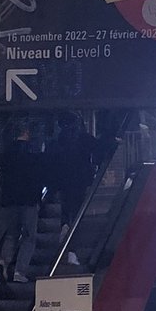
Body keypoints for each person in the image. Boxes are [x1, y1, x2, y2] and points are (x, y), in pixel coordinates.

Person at [49, 112, 102, 265]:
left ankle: (64, 226)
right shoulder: (83, 138)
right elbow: (98, 147)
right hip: (81, 180)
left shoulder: (58, 141)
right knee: (78, 213)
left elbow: (50, 161)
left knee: (66, 208)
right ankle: (72, 249)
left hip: (63, 181)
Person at [0, 121, 44, 283]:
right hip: (28, 199)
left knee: (11, 234)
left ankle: (3, 261)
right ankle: (19, 271)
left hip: (9, 199)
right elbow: (36, 176)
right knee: (29, 235)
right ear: (27, 133)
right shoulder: (32, 152)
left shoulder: (6, 152)